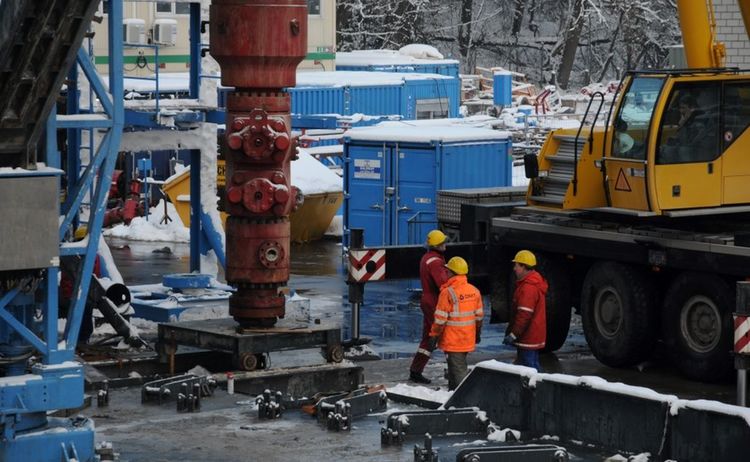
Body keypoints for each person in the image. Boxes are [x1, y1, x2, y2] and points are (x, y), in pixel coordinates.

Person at [428, 256, 484, 390]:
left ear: (452, 273)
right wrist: (477, 333)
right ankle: (452, 394)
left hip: (453, 340)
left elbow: (440, 319)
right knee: (455, 370)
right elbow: (479, 316)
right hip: (467, 338)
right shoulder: (474, 291)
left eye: (447, 271)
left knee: (458, 372)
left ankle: (463, 398)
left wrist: (433, 336)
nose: (446, 273)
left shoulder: (447, 292)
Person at [409, 230, 451, 384]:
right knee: (446, 334)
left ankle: (416, 370)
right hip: (434, 301)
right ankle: (454, 370)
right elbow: (443, 284)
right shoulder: (435, 262)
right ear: (437, 245)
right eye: (443, 242)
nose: (445, 244)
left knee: (428, 337)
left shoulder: (428, 258)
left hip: (428, 300)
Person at [503, 250, 548, 371]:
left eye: (516, 265)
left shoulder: (528, 288)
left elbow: (524, 315)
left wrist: (513, 334)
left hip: (528, 337)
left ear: (524, 267)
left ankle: (539, 389)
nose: (514, 269)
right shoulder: (531, 284)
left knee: (530, 370)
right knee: (526, 367)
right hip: (531, 336)